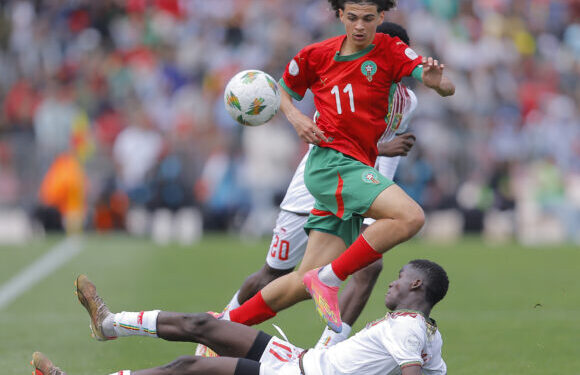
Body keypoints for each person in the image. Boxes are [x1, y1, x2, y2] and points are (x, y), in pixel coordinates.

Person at [224, 0, 455, 334]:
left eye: (368, 19)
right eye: (352, 18)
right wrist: (299, 119)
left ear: (380, 19)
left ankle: (218, 330)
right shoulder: (317, 55)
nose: (360, 26)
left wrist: (438, 82)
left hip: (357, 174)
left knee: (306, 281)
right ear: (340, 17)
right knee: (274, 271)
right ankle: (326, 282)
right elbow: (283, 92)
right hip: (325, 171)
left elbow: (443, 86)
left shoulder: (398, 73)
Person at [32, 259, 450, 375]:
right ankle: (107, 324)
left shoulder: (409, 331)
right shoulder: (427, 335)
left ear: (417, 287)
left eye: (402, 279)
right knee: (204, 326)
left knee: (189, 365)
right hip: (298, 358)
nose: (392, 285)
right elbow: (369, 269)